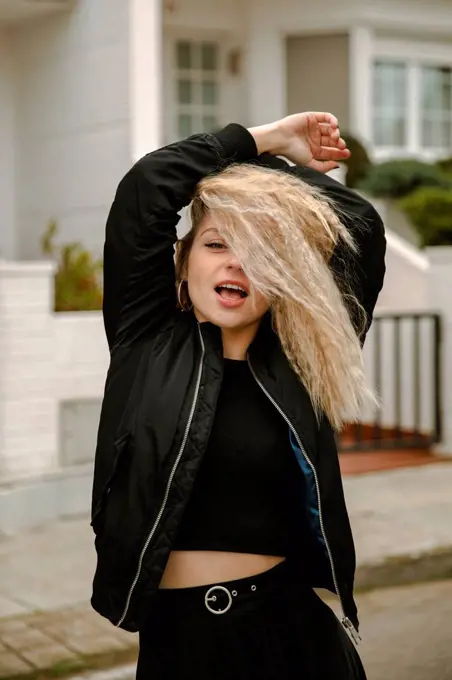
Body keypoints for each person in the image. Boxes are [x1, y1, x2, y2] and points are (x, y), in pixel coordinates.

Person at [90, 112, 386, 679]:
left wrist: (276, 172)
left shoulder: (304, 359)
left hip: (291, 638)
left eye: (262, 251)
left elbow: (358, 224)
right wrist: (266, 140)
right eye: (217, 242)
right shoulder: (144, 341)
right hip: (178, 642)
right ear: (183, 261)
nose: (236, 262)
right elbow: (146, 190)